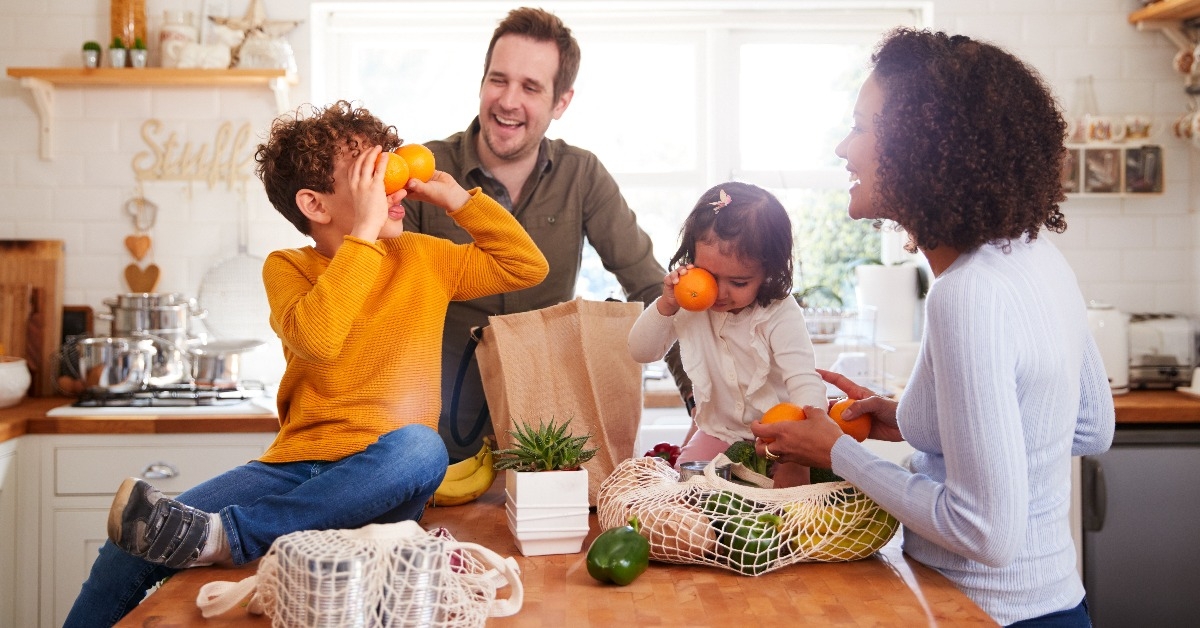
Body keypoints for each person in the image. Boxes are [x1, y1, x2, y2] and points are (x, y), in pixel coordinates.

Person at [64, 100, 549, 627]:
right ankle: (227, 534)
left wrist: (456, 198)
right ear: (315, 205)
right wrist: (362, 236)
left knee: (422, 446)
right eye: (371, 174)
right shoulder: (288, 267)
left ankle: (233, 536)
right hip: (294, 468)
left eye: (389, 163)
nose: (394, 182)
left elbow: (526, 265)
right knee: (127, 546)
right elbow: (319, 338)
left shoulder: (424, 257)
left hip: (381, 477)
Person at [749, 29, 1115, 626]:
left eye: (862, 127)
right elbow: (1088, 425)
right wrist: (928, 418)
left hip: (986, 612)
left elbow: (984, 532)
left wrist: (838, 452)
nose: (845, 148)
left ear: (922, 146)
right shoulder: (1036, 256)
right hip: (1058, 606)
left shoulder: (965, 295)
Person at [401, 6, 691, 462]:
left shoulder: (582, 175)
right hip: (434, 434)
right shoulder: (425, 171)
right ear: (482, 83)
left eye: (531, 87)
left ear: (561, 102)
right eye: (499, 80)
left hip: (546, 437)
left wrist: (700, 406)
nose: (509, 100)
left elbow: (654, 288)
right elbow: (385, 305)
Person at [627, 181, 827, 488]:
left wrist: (801, 454)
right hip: (719, 431)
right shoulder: (688, 301)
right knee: (686, 490)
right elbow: (642, 351)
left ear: (768, 272)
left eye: (739, 281)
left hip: (782, 436)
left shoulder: (780, 312)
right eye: (709, 275)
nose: (719, 293)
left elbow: (804, 382)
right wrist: (666, 303)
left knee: (789, 502)